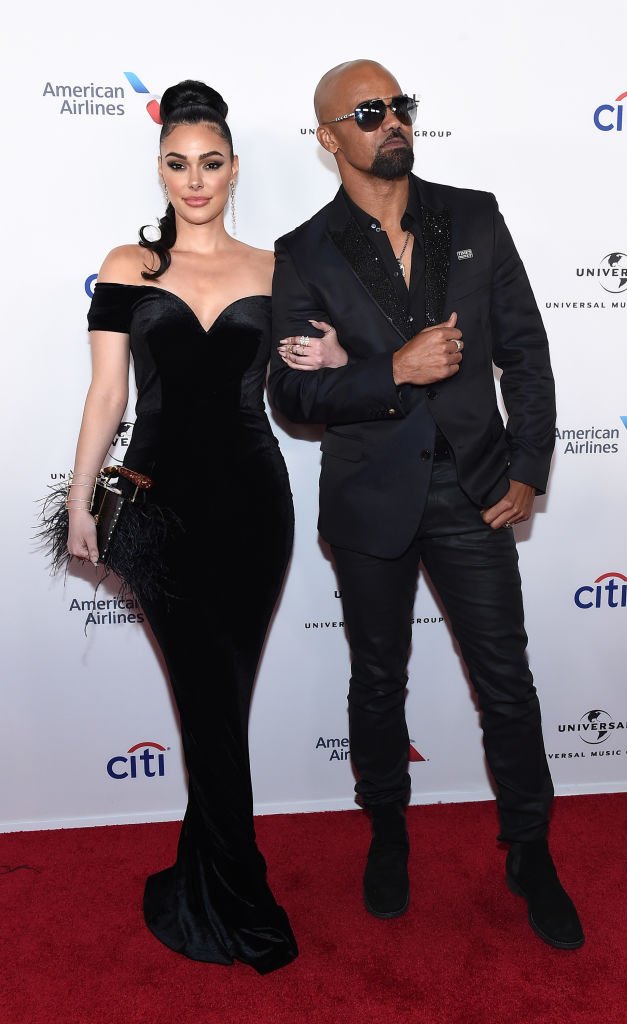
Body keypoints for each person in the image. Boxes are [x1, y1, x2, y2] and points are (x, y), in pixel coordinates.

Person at [269, 60, 584, 950]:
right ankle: (387, 832)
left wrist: (528, 468)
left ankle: (529, 851)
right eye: (368, 112)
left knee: (507, 685)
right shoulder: (305, 252)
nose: (391, 121)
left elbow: (525, 351)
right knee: (377, 682)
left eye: (399, 105)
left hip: (475, 489)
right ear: (329, 138)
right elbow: (290, 401)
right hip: (370, 499)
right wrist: (388, 372)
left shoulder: (473, 215)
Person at [63, 80, 331, 974]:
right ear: (161, 169)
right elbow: (108, 394)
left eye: (210, 162)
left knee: (222, 705)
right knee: (205, 703)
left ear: (234, 168)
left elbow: (300, 391)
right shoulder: (126, 267)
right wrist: (79, 500)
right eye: (177, 163)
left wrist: (329, 356)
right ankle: (238, 896)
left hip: (257, 510)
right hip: (157, 506)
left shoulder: (276, 269)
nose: (194, 179)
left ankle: (207, 880)